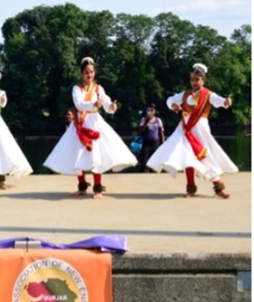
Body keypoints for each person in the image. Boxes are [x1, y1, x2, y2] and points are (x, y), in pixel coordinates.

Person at [43, 57, 136, 199]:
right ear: (81, 73)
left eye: (91, 72)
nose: (89, 75)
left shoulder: (98, 88)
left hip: (94, 123)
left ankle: (98, 188)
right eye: (86, 72)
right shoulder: (76, 88)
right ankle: (82, 186)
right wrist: (94, 104)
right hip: (80, 123)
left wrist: (111, 107)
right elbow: (79, 104)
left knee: (95, 155)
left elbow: (106, 103)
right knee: (78, 154)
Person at [147, 63, 237, 198]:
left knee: (206, 156)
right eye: (192, 79)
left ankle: (218, 188)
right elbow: (170, 100)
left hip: (200, 129)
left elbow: (219, 101)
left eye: (197, 79)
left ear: (203, 80)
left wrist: (226, 102)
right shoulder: (185, 94)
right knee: (187, 157)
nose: (194, 82)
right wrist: (174, 105)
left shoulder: (208, 95)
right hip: (184, 129)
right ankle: (190, 189)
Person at [138, 104, 165, 172]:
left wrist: (163, 142)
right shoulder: (143, 119)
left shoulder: (158, 120)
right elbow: (141, 130)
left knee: (153, 163)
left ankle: (152, 176)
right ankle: (141, 176)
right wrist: (147, 121)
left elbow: (161, 132)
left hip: (155, 143)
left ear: (154, 111)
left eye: (152, 110)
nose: (150, 112)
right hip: (146, 143)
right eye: (149, 110)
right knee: (143, 162)